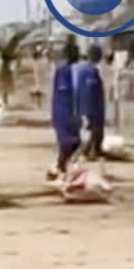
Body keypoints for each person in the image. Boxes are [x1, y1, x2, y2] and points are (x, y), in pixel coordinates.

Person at [48, 40, 82, 181]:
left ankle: (58, 168)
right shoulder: (63, 71)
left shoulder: (74, 70)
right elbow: (63, 93)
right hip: (63, 112)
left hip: (71, 112)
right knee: (68, 143)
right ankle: (59, 168)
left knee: (74, 143)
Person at [75, 44, 106, 159]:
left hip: (87, 105)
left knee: (90, 129)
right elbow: (90, 90)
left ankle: (91, 150)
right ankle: (91, 151)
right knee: (93, 129)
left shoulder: (82, 69)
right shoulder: (91, 71)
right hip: (92, 106)